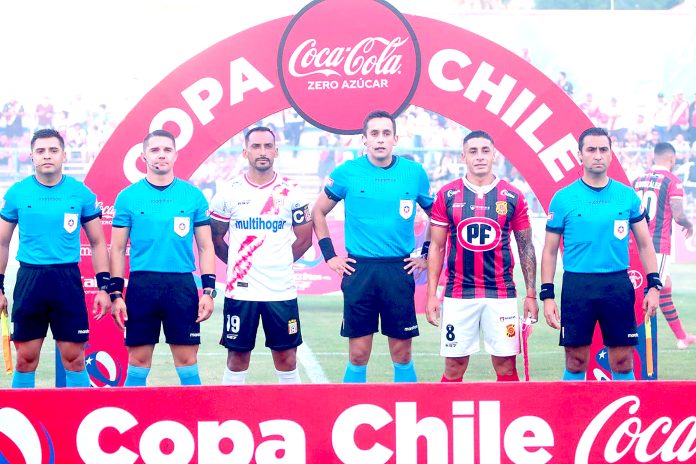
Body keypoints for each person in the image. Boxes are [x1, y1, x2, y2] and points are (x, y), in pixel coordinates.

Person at [312, 110, 433, 383]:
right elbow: (318, 211)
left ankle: (406, 409)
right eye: (374, 133)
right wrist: (330, 256)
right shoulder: (347, 172)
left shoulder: (414, 173)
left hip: (399, 269)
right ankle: (351, 405)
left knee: (402, 354)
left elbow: (436, 217)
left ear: (395, 139)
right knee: (358, 354)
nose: (380, 139)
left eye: (386, 133)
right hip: (360, 270)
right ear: (364, 139)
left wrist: (425, 254)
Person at [541, 127, 661, 381]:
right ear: (580, 155)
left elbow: (645, 244)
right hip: (577, 286)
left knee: (623, 360)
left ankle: (624, 407)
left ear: (610, 154)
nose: (597, 155)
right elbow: (550, 251)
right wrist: (547, 296)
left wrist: (654, 286)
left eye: (603, 149)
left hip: (616, 285)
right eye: (591, 149)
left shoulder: (627, 196)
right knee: (575, 361)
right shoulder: (563, 198)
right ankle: (574, 408)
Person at [0, 128, 110, 388]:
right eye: (40, 151)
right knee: (25, 359)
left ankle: (79, 412)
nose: (47, 155)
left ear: (64, 155)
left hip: (66, 280)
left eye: (53, 150)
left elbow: (97, 243)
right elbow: (2, 242)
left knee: (75, 359)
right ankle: (25, 414)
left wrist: (104, 288)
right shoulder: (17, 193)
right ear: (31, 156)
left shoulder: (80, 193)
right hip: (30, 280)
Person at [425, 130, 538, 382]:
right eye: (473, 151)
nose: (479, 157)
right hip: (458, 293)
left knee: (506, 366)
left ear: (494, 155)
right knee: (453, 366)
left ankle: (509, 409)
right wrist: (432, 294)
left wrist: (531, 295)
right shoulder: (447, 195)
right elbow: (437, 247)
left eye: (485, 151)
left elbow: (526, 248)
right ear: (463, 156)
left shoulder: (513, 196)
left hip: (501, 293)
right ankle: (448, 409)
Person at [107, 129, 215, 386]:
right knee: (138, 361)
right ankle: (132, 411)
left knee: (187, 361)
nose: (161, 155)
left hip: (181, 286)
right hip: (142, 287)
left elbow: (205, 247)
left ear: (175, 155)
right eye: (155, 150)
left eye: (167, 149)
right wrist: (116, 294)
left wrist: (209, 291)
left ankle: (193, 411)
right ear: (144, 156)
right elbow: (118, 249)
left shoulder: (193, 196)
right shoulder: (128, 197)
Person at [210, 126, 312, 385]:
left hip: (281, 291)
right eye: (256, 146)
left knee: (287, 358)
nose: (262, 152)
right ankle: (231, 409)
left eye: (268, 146)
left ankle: (292, 408)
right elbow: (216, 239)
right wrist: (239, 264)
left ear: (276, 152)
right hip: (241, 292)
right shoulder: (228, 192)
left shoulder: (292, 192)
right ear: (245, 152)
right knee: (237, 358)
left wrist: (279, 262)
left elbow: (305, 239)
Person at [632, 142, 695, 349]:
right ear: (672, 159)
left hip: (635, 243)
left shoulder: (637, 180)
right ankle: (636, 343)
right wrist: (689, 224)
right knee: (652, 294)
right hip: (656, 246)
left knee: (665, 287)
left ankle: (681, 336)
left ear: (653, 157)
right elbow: (678, 215)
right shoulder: (673, 181)